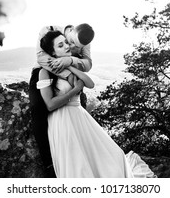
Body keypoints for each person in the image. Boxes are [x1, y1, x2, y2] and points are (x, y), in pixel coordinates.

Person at [37, 30, 155, 178]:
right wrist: (75, 91)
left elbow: (90, 83)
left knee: (114, 155)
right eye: (60, 45)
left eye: (66, 42)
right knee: (78, 167)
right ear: (52, 52)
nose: (67, 46)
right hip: (63, 121)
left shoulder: (70, 67)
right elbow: (50, 104)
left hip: (79, 117)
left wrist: (70, 65)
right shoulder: (44, 72)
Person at [28, 24, 94, 177]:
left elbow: (88, 64)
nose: (70, 46)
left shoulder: (84, 41)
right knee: (38, 109)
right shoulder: (48, 31)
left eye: (75, 46)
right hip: (46, 69)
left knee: (78, 105)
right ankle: (48, 163)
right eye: (68, 42)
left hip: (69, 69)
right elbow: (41, 57)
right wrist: (67, 73)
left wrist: (70, 60)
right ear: (71, 31)